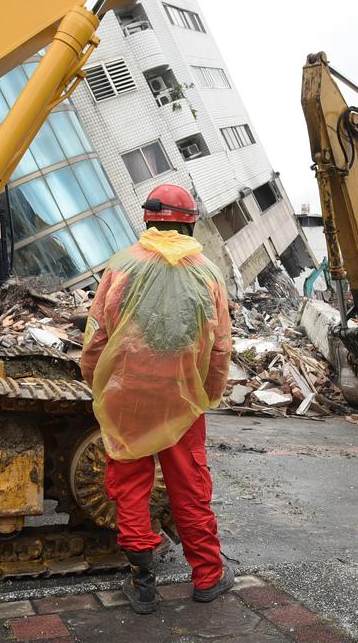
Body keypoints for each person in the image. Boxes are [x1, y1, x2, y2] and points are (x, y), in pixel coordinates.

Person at [80, 184, 234, 614]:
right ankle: (208, 576)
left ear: (147, 219)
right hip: (182, 401)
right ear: (190, 222)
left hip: (127, 396)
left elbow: (97, 334)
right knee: (189, 488)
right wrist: (209, 393)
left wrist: (96, 381)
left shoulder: (122, 265)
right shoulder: (208, 273)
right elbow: (219, 347)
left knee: (129, 486)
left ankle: (142, 583)